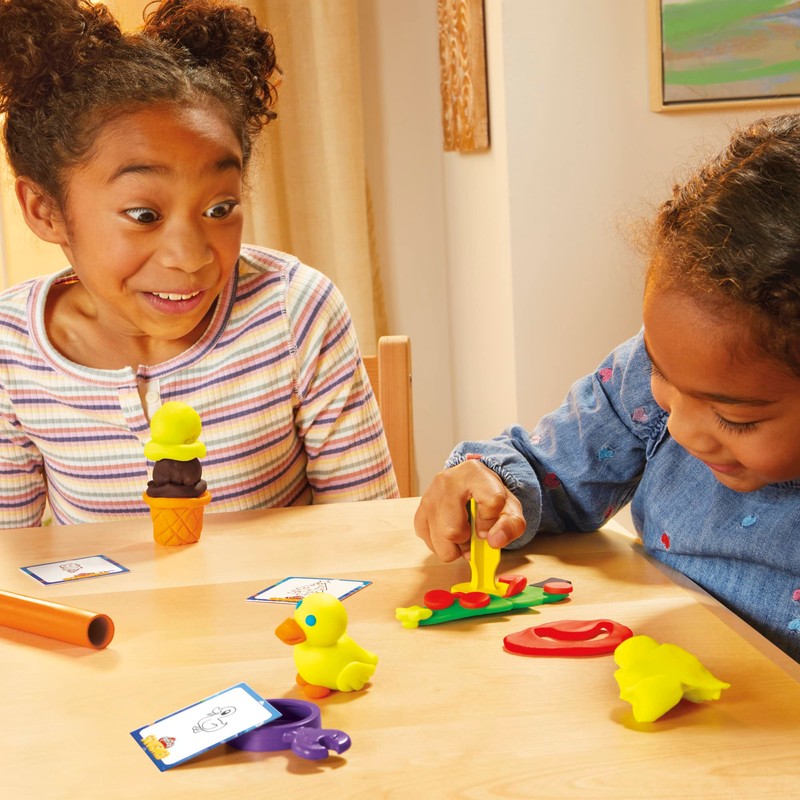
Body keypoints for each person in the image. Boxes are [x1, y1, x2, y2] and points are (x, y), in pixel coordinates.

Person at [415, 113, 800, 663]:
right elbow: (550, 473)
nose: (680, 427)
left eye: (735, 417)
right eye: (662, 376)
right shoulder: (647, 378)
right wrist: (491, 484)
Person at [0, 0, 398, 527]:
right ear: (45, 210)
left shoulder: (293, 311)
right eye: (144, 215)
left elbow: (369, 534)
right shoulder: (10, 350)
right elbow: (10, 557)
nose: (191, 257)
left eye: (219, 209)